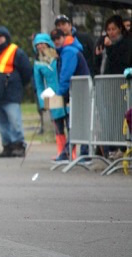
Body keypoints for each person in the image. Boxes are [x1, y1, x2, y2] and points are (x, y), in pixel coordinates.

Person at [0, 27, 32, 158]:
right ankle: (7, 146)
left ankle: (18, 145)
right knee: (1, 123)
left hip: (10, 93)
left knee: (14, 120)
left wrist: (17, 85)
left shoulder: (16, 51)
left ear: (6, 38)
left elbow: (26, 71)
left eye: (1, 37)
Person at [51, 29, 91, 160]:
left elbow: (66, 75)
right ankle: (72, 152)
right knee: (78, 122)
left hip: (79, 91)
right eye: (54, 39)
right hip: (79, 90)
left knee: (77, 122)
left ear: (64, 37)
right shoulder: (69, 50)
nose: (56, 41)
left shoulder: (68, 51)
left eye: (58, 38)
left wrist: (59, 93)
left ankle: (81, 153)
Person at [32, 33, 67, 161]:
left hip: (65, 92)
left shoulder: (58, 56)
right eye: (37, 44)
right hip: (51, 94)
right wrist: (42, 102)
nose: (40, 46)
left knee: (70, 123)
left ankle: (71, 152)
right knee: (58, 124)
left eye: (42, 43)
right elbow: (39, 85)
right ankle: (61, 152)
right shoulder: (37, 63)